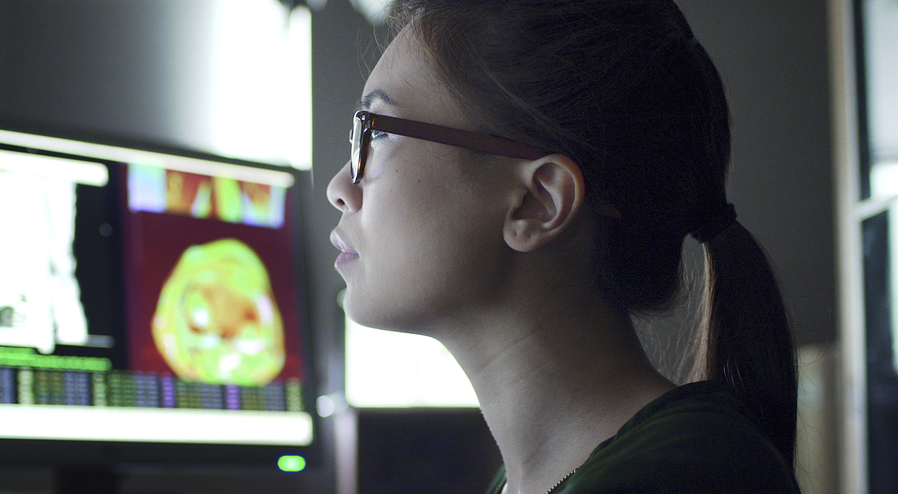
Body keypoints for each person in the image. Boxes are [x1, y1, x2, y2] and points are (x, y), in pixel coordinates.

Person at [325, 0, 801, 492]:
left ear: (538, 201)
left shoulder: (685, 476)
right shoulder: (527, 480)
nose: (339, 186)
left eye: (374, 133)